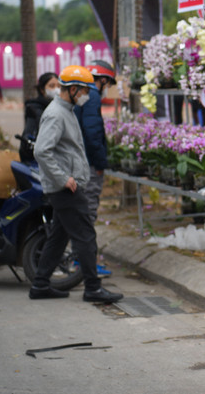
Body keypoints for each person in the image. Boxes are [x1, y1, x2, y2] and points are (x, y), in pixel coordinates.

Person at [29, 65, 123, 304]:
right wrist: (64, 178)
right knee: (85, 236)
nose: (87, 95)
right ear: (71, 89)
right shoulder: (56, 114)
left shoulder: (67, 110)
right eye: (83, 90)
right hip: (65, 188)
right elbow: (42, 150)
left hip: (67, 186)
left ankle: (40, 284)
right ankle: (93, 287)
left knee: (59, 238)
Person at [75, 59, 117, 277]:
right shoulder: (91, 97)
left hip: (78, 162)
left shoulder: (81, 94)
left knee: (79, 214)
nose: (106, 88)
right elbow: (92, 135)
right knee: (88, 213)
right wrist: (100, 163)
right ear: (101, 80)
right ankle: (86, 266)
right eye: (107, 83)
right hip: (89, 165)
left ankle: (78, 262)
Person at [19, 72, 59, 163]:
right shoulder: (35, 108)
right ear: (42, 89)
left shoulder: (60, 107)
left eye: (59, 86)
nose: (56, 90)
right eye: (52, 86)